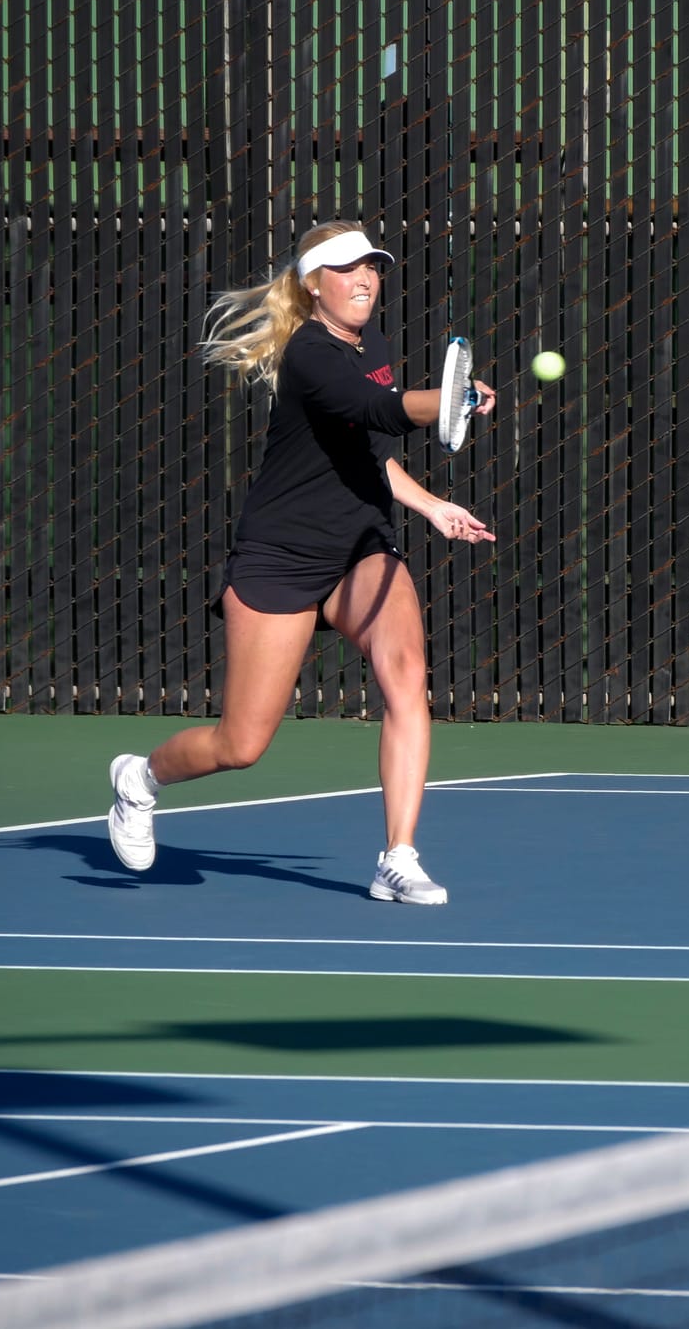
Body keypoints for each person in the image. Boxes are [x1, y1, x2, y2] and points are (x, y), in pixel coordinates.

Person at [105, 222, 495, 904]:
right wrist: (447, 401)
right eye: (348, 269)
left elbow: (368, 446)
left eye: (372, 267)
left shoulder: (369, 342)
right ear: (316, 283)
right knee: (241, 744)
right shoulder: (310, 354)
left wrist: (431, 505)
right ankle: (139, 780)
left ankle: (397, 856)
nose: (365, 279)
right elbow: (374, 407)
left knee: (406, 677)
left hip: (359, 544)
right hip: (279, 556)